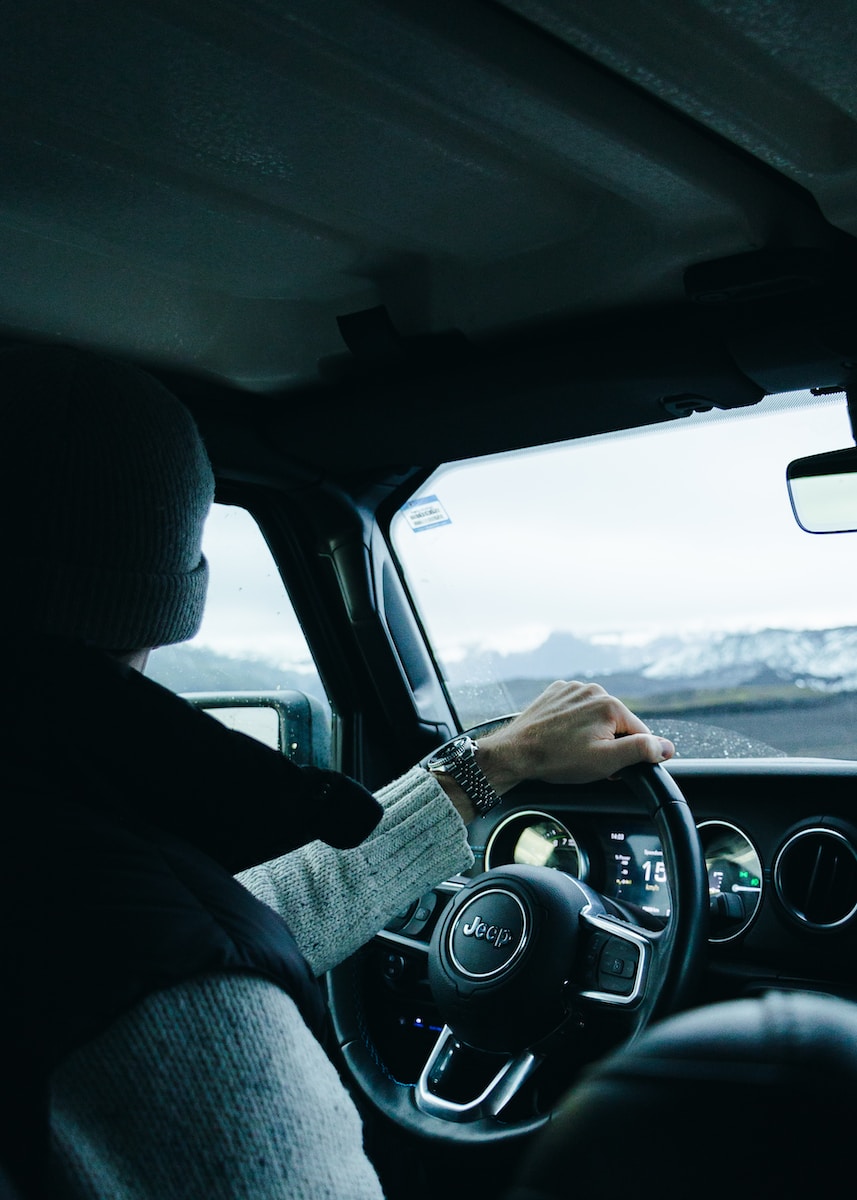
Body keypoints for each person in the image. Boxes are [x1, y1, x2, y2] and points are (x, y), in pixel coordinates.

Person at [0, 344, 675, 1200]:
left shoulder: (62, 875)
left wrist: (493, 765)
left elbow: (246, 916)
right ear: (158, 597)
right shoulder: (173, 997)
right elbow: (185, 942)